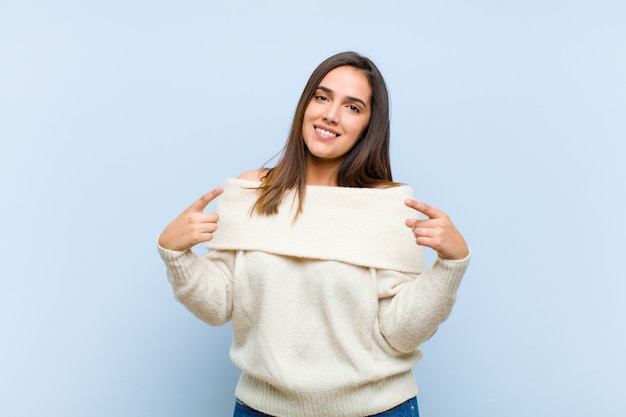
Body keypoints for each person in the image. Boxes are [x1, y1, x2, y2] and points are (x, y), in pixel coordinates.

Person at [157, 51, 470, 417]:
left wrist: (452, 264)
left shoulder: (388, 206)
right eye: (322, 97)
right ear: (305, 105)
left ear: (370, 126)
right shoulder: (252, 191)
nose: (331, 115)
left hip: (378, 410)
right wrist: (174, 252)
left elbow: (400, 333)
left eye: (353, 107)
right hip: (262, 409)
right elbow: (219, 305)